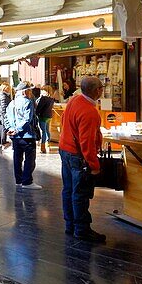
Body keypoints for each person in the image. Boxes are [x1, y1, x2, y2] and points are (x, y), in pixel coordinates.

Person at [59, 75, 106, 243]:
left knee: (68, 189)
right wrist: (94, 165)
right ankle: (82, 229)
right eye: (101, 87)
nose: (103, 90)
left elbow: (64, 121)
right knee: (80, 193)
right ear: (97, 91)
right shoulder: (89, 112)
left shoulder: (74, 101)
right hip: (77, 156)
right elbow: (87, 143)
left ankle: (70, 224)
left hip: (65, 150)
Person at [4, 82, 41, 190]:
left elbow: (5, 117)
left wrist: (10, 129)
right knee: (30, 159)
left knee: (17, 158)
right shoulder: (27, 102)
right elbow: (27, 119)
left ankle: (19, 180)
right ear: (25, 91)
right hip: (27, 135)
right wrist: (17, 130)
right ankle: (27, 181)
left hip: (15, 137)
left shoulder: (12, 103)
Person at [35, 85, 56, 154]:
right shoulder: (52, 99)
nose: (41, 91)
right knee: (47, 130)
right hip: (49, 116)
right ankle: (48, 143)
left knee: (43, 131)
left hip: (42, 116)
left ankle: (43, 147)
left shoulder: (43, 98)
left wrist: (36, 113)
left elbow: (39, 108)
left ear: (46, 91)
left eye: (43, 90)